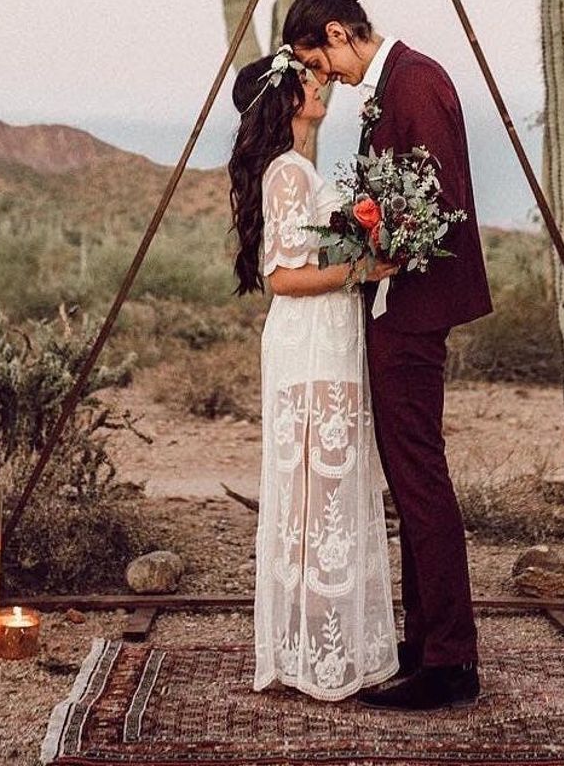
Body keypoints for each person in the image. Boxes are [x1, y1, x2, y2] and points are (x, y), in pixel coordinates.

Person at [282, 0, 493, 712]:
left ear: (337, 35)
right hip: (393, 306)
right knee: (410, 480)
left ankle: (451, 662)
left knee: (420, 481)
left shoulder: (414, 82)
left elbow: (437, 206)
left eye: (317, 63)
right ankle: (423, 642)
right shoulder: (393, 84)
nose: (321, 77)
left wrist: (381, 253)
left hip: (412, 311)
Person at [229, 47, 399, 702]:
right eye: (308, 78)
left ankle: (324, 645)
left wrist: (374, 239)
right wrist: (367, 270)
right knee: (314, 491)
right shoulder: (287, 175)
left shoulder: (300, 169)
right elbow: (282, 277)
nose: (321, 82)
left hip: (329, 339)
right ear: (285, 98)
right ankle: (313, 655)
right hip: (308, 345)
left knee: (325, 492)